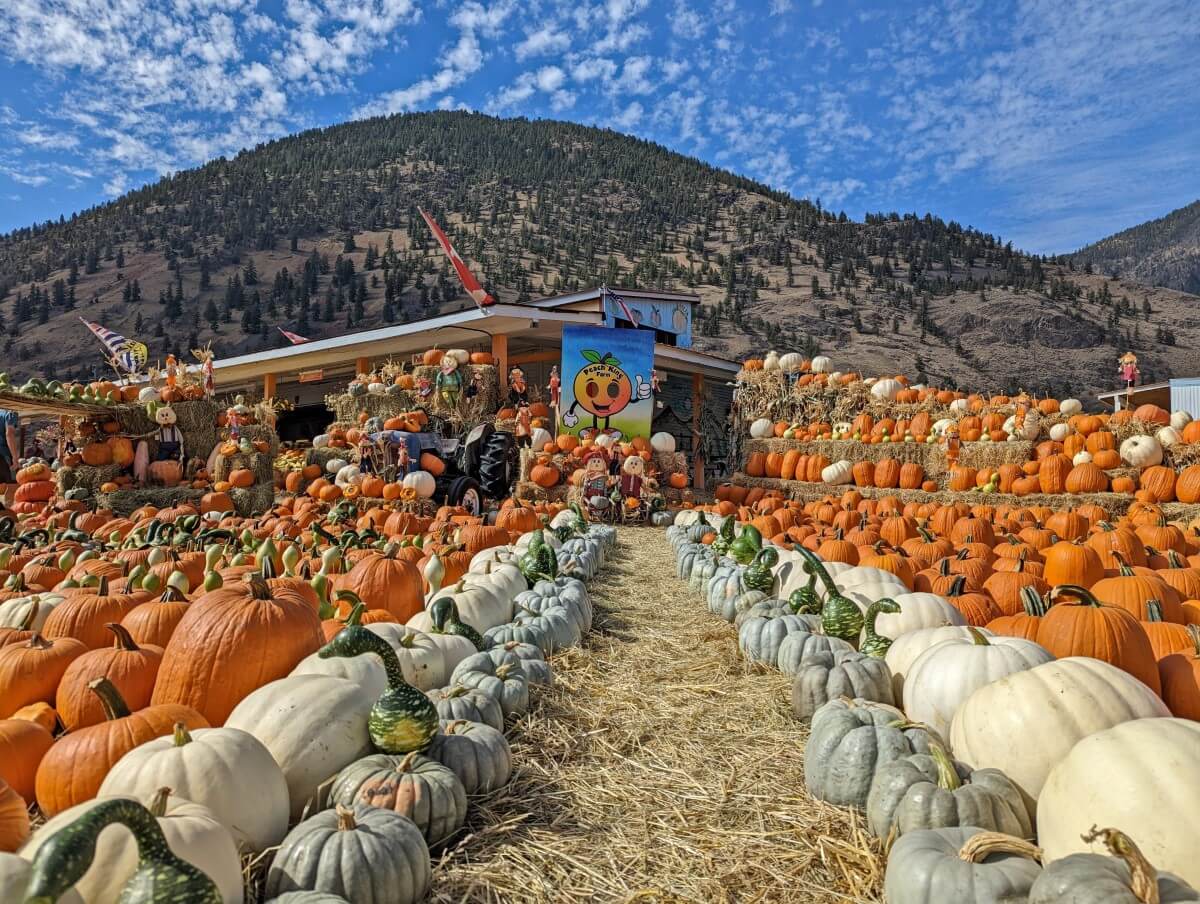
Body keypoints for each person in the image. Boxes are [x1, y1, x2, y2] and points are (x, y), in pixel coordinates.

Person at [0, 408, 19, 505]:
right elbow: (9, 433)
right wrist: (15, 458)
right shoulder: (10, 413)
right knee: (12, 486)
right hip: (4, 455)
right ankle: (8, 516)